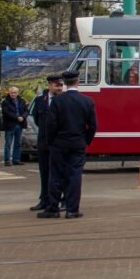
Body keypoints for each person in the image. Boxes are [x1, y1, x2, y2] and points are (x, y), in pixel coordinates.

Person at [38, 70, 97, 220]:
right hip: (78, 143)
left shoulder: (57, 101)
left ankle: (52, 209)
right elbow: (92, 126)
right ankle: (72, 210)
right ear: (77, 82)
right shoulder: (87, 101)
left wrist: (51, 141)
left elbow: (50, 124)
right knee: (75, 176)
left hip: (59, 143)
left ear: (64, 83)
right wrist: (85, 141)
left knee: (56, 175)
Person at [29, 74, 65, 212]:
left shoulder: (63, 100)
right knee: (44, 172)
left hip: (59, 143)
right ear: (49, 86)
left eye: (61, 85)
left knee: (59, 173)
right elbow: (38, 120)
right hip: (44, 143)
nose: (59, 88)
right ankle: (44, 199)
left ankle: (61, 200)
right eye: (57, 85)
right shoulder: (40, 100)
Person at [1, 86, 28, 166]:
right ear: (9, 93)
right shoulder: (5, 102)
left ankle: (16, 159)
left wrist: (23, 117)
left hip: (20, 125)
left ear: (17, 93)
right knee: (8, 144)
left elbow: (27, 110)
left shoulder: (22, 101)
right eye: (11, 92)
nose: (13, 94)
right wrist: (17, 117)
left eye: (15, 92)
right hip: (10, 125)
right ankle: (7, 160)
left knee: (18, 143)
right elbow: (6, 113)